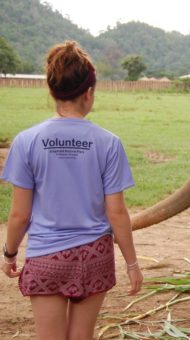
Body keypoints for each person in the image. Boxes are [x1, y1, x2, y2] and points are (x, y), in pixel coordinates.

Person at [1, 40, 143, 340]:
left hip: (45, 259)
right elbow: (116, 212)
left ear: (52, 92)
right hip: (94, 257)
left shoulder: (26, 141)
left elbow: (19, 214)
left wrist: (10, 253)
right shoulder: (109, 143)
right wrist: (132, 264)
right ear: (89, 93)